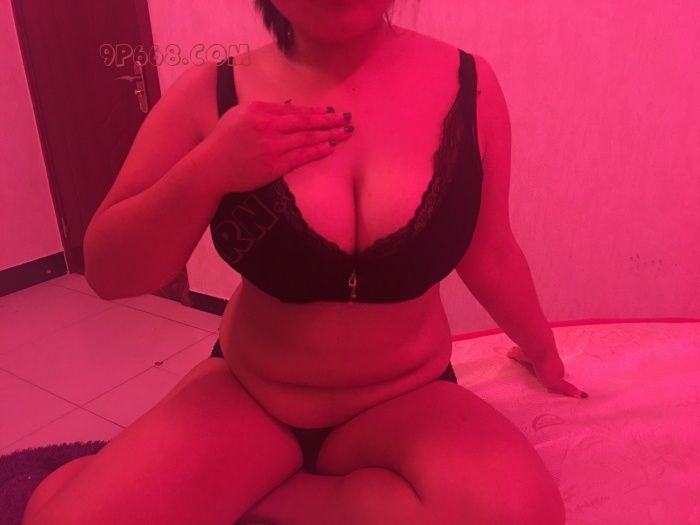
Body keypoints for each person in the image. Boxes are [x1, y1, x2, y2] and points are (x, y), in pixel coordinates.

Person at [23, 1, 585, 523]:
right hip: (253, 394)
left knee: (525, 514)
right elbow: (109, 273)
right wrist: (209, 169)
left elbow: (492, 253)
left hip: (406, 397)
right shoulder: (211, 91)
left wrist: (542, 351)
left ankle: (264, 496)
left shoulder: (472, 83)